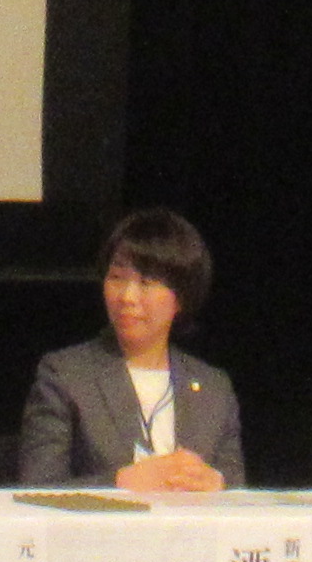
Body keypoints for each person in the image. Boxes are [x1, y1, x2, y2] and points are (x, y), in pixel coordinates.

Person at [15, 208, 244, 491]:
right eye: (117, 277)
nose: (127, 296)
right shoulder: (66, 375)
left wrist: (218, 484)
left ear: (181, 297)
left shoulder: (214, 389)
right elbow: (37, 487)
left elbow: (237, 490)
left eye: (146, 283)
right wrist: (118, 483)